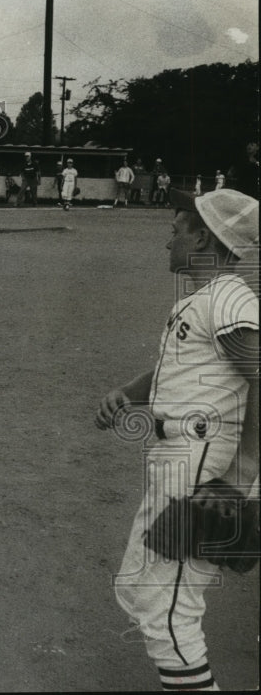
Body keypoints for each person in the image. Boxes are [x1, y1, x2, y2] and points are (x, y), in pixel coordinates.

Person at [95, 187, 258, 692]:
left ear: (205, 237)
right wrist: (129, 392)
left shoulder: (229, 296)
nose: (168, 240)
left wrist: (242, 471)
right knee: (140, 589)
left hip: (205, 463)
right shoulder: (202, 299)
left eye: (176, 230)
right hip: (180, 457)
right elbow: (179, 369)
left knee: (169, 616)